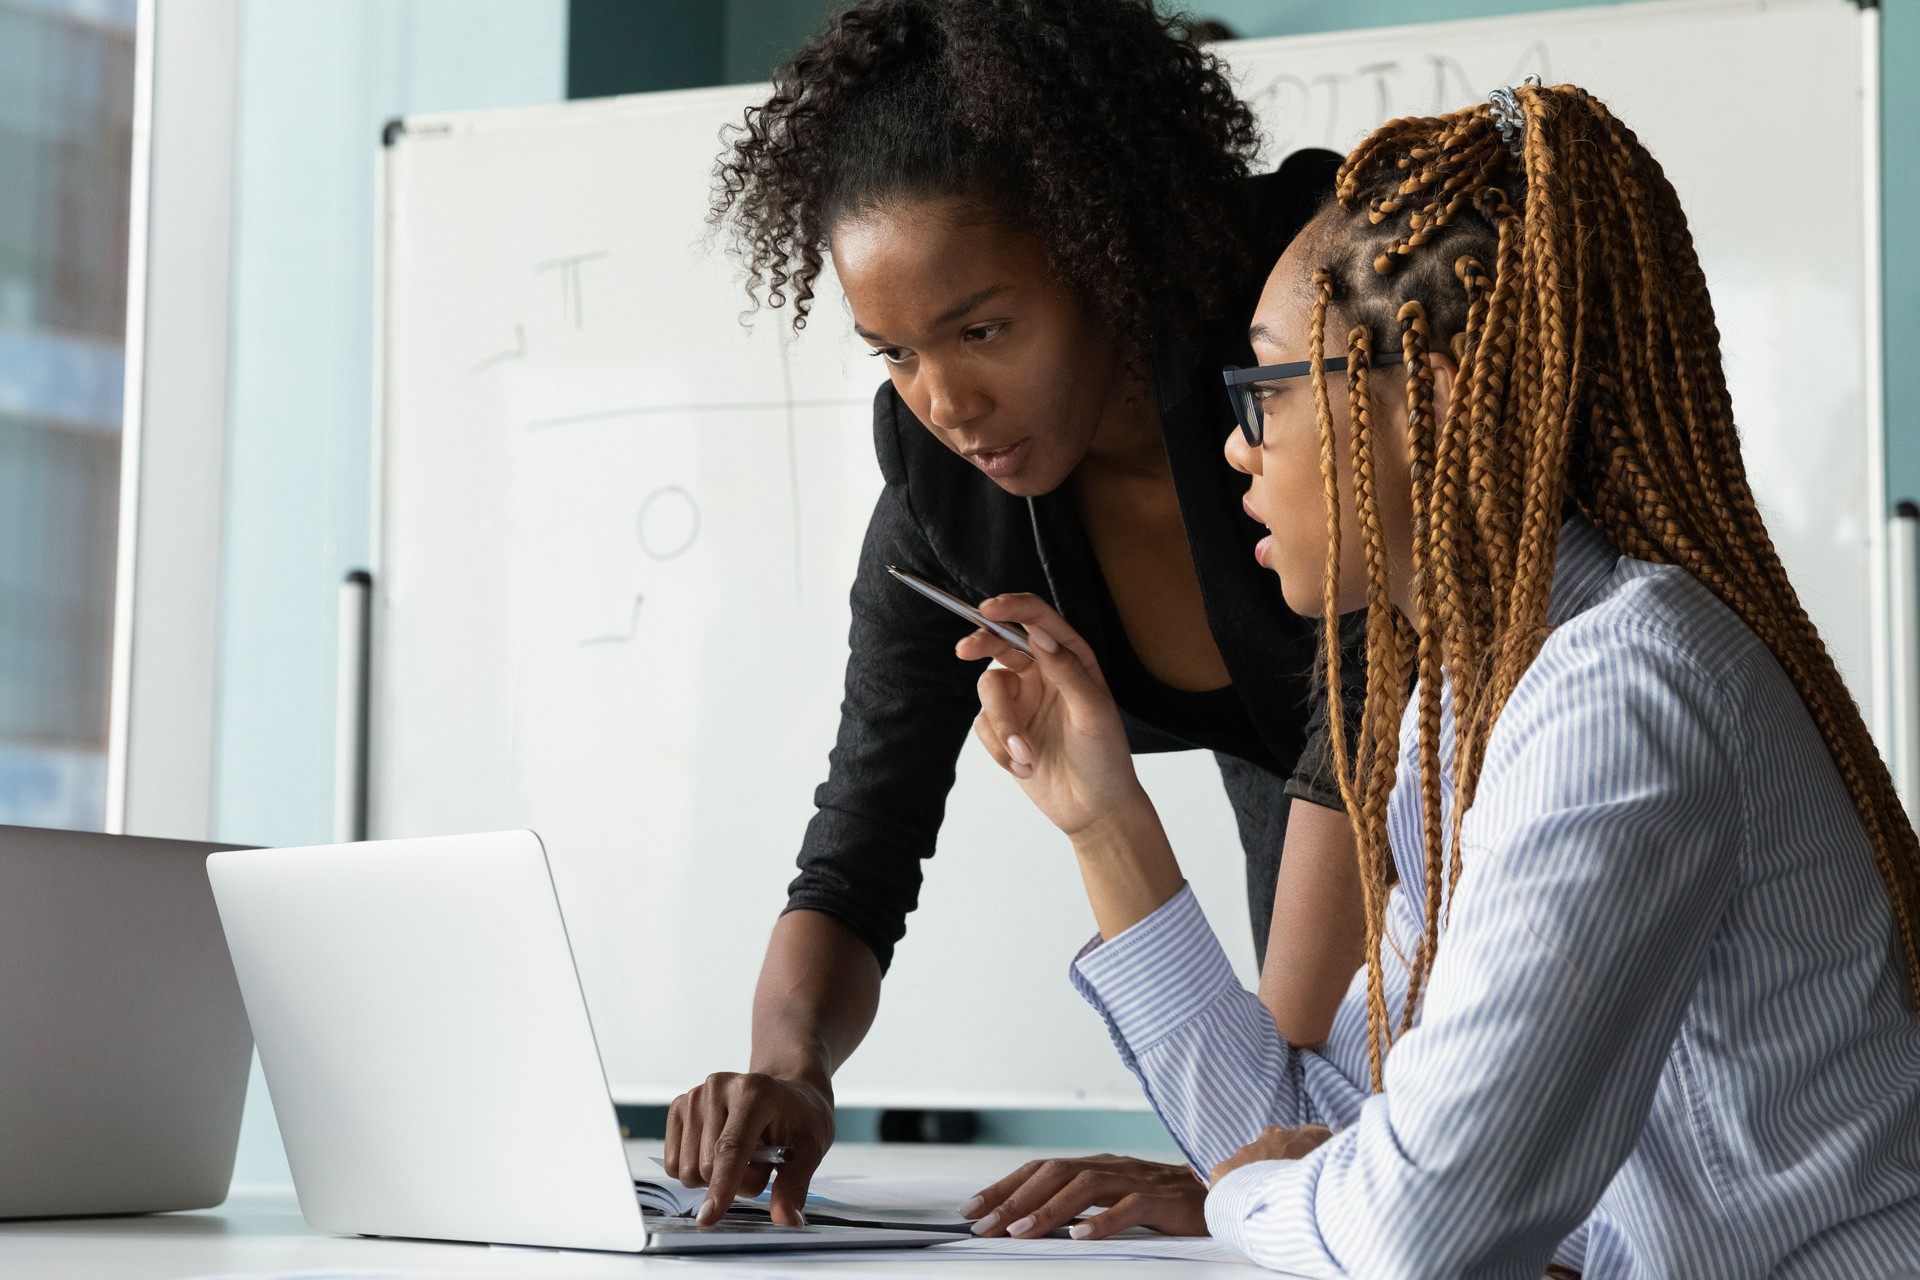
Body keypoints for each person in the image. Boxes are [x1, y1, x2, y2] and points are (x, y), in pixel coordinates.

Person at [968, 82, 1920, 1273]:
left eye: (1267, 389)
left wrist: (1256, 1193)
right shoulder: (1469, 704)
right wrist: (1105, 816)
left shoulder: (1621, 695)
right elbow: (1309, 1114)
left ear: (1431, 400)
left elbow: (1419, 1225)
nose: (1234, 448)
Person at [663, 0, 1371, 1233]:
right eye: (893, 351)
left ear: (1110, 249)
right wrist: (792, 1067)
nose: (944, 398)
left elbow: (1306, 1105)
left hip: (1469, 847)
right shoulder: (952, 486)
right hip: (1312, 820)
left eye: (982, 329)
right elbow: (863, 825)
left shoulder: (1302, 371)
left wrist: (1253, 1167)